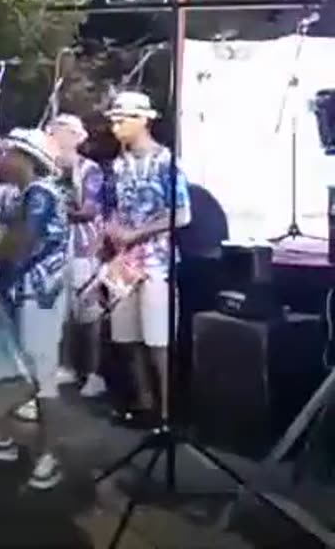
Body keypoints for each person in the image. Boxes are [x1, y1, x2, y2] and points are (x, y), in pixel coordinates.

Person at [0, 128, 68, 490]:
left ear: (26, 158)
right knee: (11, 369)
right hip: (23, 295)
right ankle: (3, 437)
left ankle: (48, 455)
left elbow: (22, 242)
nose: (3, 158)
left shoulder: (41, 194)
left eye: (9, 153)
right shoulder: (29, 195)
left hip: (39, 298)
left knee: (41, 377)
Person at [105, 91, 191, 426]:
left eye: (121, 119)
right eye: (113, 119)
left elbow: (182, 214)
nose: (115, 126)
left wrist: (136, 234)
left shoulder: (166, 162)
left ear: (143, 120)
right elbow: (112, 208)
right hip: (125, 262)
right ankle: (144, 402)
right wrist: (112, 230)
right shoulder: (117, 165)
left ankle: (168, 411)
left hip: (157, 261)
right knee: (127, 336)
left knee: (158, 338)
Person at [46, 114, 108, 399]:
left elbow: (88, 210)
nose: (53, 137)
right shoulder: (48, 170)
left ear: (72, 136)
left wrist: (57, 210)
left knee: (89, 312)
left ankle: (94, 373)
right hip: (58, 249)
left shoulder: (90, 170)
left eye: (57, 132)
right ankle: (67, 365)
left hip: (85, 249)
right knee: (63, 310)